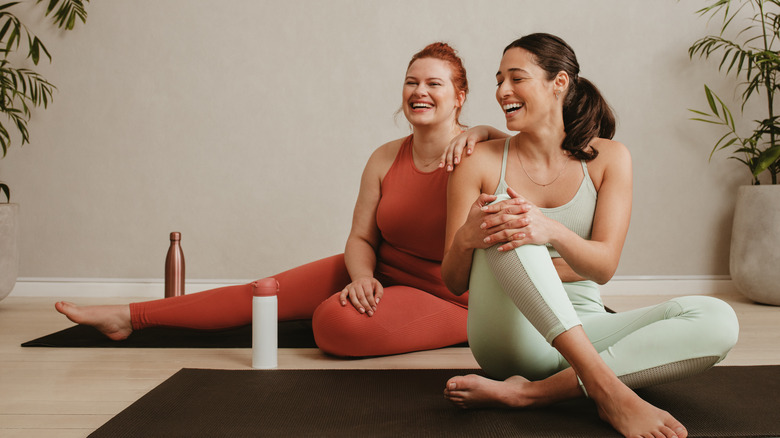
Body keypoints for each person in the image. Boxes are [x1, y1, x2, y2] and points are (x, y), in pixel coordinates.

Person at [55, 42, 476, 358]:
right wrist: (362, 276)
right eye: (411, 82)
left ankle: (464, 328)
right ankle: (127, 317)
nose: (419, 91)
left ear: (459, 97)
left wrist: (484, 132)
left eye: (433, 84)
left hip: (447, 296)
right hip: (382, 270)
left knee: (332, 322)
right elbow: (361, 238)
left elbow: (511, 151)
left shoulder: (479, 152)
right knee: (261, 293)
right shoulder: (385, 157)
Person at [440, 33, 738, 438]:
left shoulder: (610, 158)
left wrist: (551, 231)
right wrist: (467, 239)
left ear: (559, 82)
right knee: (510, 218)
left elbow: (602, 267)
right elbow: (453, 281)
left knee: (718, 320)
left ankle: (532, 394)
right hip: (510, 337)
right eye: (498, 81)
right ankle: (608, 391)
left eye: (516, 78)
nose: (502, 90)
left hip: (589, 328)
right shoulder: (478, 161)